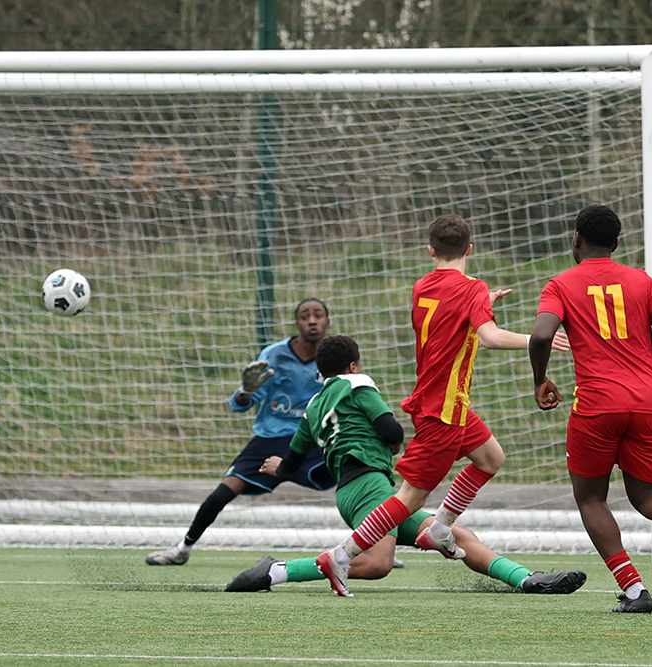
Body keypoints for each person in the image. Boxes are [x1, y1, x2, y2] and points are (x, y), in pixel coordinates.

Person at [313, 214, 570, 596]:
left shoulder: (422, 286)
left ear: (430, 251)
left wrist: (482, 301)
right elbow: (490, 338)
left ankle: (440, 528)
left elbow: (452, 317)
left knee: (490, 458)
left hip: (446, 403)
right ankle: (341, 556)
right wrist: (539, 338)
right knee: (408, 499)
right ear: (470, 249)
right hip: (443, 411)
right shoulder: (471, 288)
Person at [225, 335, 586, 596]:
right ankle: (277, 571)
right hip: (369, 485)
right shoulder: (357, 384)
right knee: (380, 563)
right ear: (353, 366)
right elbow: (389, 429)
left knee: (458, 535)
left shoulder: (314, 406)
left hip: (355, 490)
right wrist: (395, 443)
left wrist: (278, 468)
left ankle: (528, 579)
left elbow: (291, 463)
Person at [527, 204, 652, 614]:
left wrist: (540, 378)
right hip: (647, 403)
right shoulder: (640, 281)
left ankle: (633, 590)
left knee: (591, 498)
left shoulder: (560, 284)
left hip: (597, 407)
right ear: (616, 242)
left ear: (576, 239)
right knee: (648, 494)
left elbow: (541, 335)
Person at [145, 298, 337, 565]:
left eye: (318, 315)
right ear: (297, 323)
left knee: (359, 477)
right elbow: (241, 404)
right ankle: (182, 549)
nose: (312, 320)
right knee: (225, 490)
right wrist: (245, 392)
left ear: (328, 321)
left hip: (312, 440)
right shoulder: (274, 354)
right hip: (271, 440)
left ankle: (380, 546)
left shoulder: (335, 357)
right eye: (305, 316)